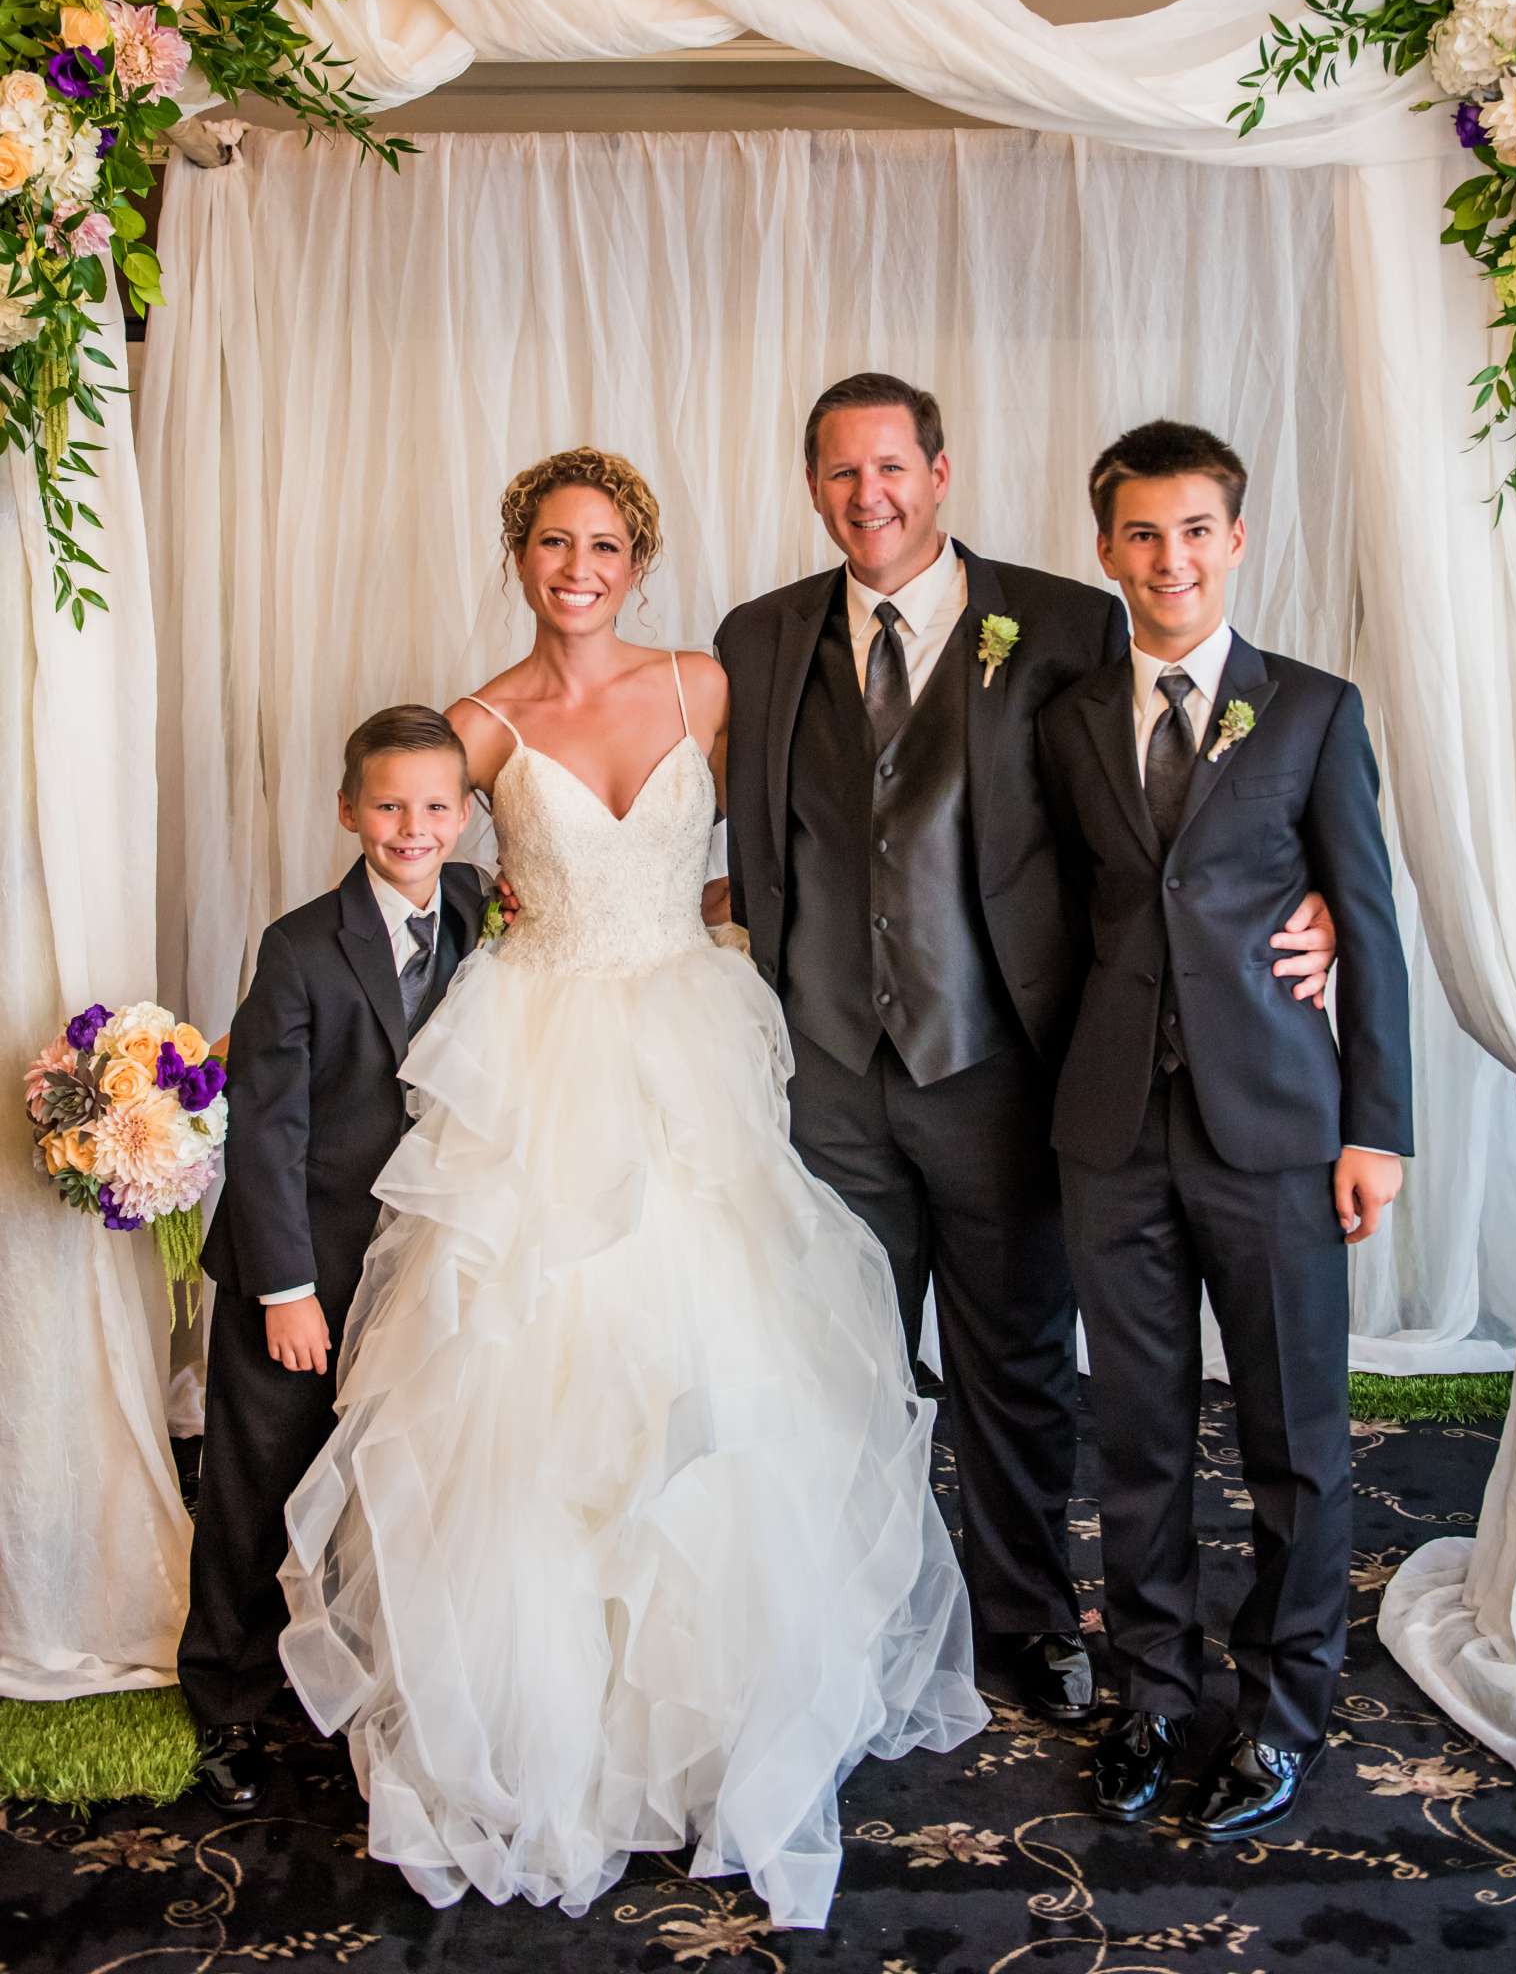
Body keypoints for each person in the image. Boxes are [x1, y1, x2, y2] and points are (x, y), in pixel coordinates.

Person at [277, 447, 986, 1928]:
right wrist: (453, 916)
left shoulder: (703, 686)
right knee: (530, 1373)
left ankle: (719, 1703)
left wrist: (736, 909)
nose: (576, 566)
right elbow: (416, 862)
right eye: (551, 542)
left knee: (720, 1342)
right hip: (541, 1049)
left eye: (602, 543)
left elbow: (802, 841)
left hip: (685, 1038)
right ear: (518, 555)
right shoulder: (478, 719)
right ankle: (549, 1711)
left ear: (640, 560)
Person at [714, 373, 1337, 1722]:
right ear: (811, 486)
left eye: (892, 467)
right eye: (840, 473)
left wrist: (1315, 893)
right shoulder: (757, 640)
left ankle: (1028, 1623)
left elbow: (1164, 814)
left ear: (941, 472)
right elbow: (721, 824)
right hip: (823, 1070)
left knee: (1018, 1371)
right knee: (840, 1373)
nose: (867, 495)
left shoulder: (1063, 621)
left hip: (1004, 1065)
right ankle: (856, 1623)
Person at [1039, 418, 1412, 1841]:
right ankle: (1154, 1697)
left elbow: (1362, 913)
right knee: (1132, 1437)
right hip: (1114, 1132)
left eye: (1196, 530)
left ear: (1237, 539)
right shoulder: (1069, 716)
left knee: (1295, 1439)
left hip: (1278, 1130)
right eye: (1142, 533)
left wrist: (1375, 1124)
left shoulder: (1312, 709)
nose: (1170, 557)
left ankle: (1283, 1709)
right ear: (1106, 551)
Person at [179, 706, 482, 1812]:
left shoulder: (480, 908)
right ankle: (223, 1694)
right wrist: (286, 1292)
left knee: (387, 1481)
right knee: (258, 1481)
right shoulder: (301, 945)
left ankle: (349, 1670)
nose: (413, 827)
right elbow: (266, 1127)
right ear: (348, 809)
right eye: (390, 805)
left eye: (436, 806)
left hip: (418, 1261)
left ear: (465, 815)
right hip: (302, 1261)